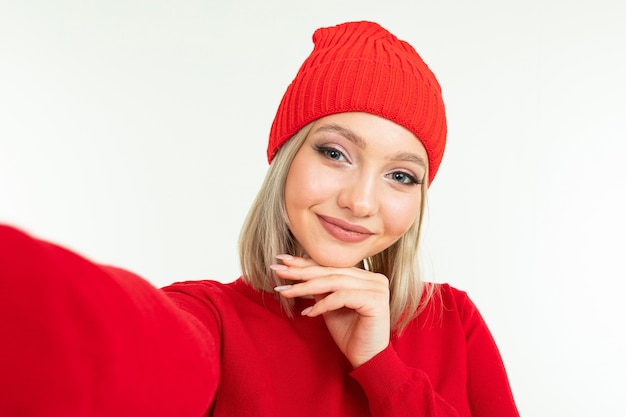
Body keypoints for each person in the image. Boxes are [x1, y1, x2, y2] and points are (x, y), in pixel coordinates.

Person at [0, 21, 520, 416]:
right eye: (336, 153)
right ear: (285, 160)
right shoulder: (212, 319)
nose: (362, 202)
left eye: (401, 176)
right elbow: (103, 344)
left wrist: (380, 365)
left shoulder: (453, 321)